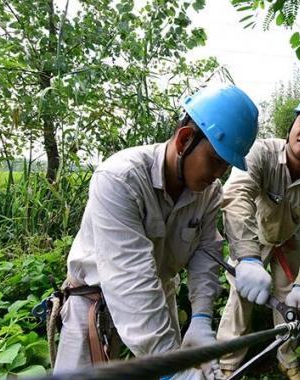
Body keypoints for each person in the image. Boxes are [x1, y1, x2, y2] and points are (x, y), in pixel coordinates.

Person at [53, 84, 259, 380]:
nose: (218, 175)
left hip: (159, 301)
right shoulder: (120, 179)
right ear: (185, 139)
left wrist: (201, 317)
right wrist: (172, 366)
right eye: (215, 161)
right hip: (93, 304)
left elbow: (205, 252)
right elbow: (130, 278)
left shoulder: (208, 192)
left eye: (226, 167)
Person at [216, 88, 300, 380]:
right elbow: (235, 197)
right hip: (253, 236)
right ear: (293, 124)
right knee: (240, 297)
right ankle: (226, 365)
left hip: (289, 239)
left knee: (291, 305)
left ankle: (287, 359)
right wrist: (247, 260)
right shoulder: (261, 152)